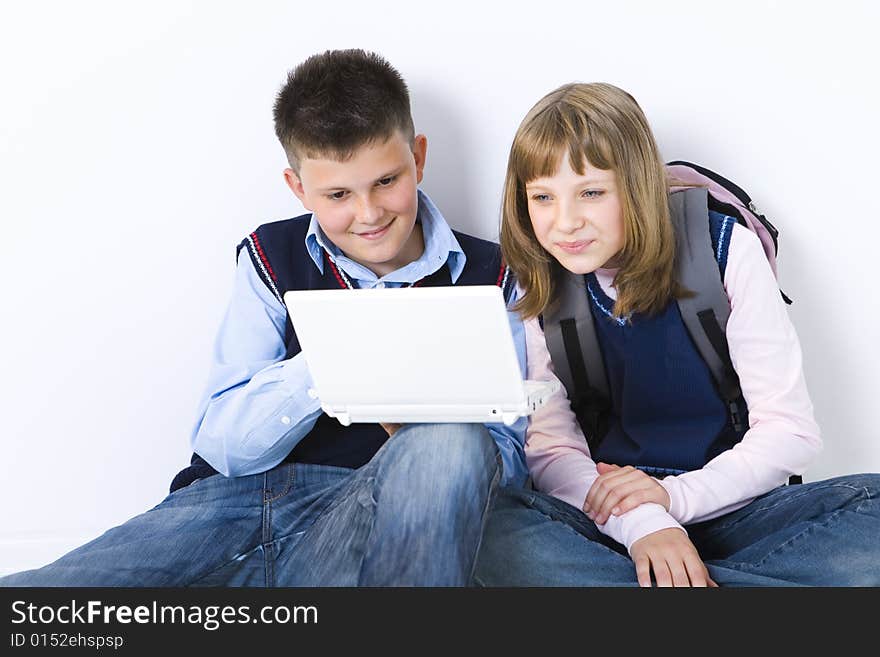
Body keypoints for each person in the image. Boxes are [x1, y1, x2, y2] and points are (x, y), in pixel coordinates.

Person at [0, 49, 527, 587]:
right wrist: (336, 360)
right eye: (339, 194)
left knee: (452, 447)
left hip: (367, 515)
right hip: (228, 508)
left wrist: (421, 429)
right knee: (37, 599)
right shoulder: (269, 255)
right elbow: (221, 440)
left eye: (386, 182)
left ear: (418, 158)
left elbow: (505, 457)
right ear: (299, 188)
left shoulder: (492, 273)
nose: (368, 214)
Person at [473, 82, 880, 587]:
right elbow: (553, 453)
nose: (565, 222)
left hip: (736, 509)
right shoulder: (537, 280)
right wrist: (646, 524)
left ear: (637, 184)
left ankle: (677, 583)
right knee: (489, 531)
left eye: (592, 192)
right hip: (612, 519)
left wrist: (673, 499)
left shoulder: (725, 249)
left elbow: (789, 432)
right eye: (542, 198)